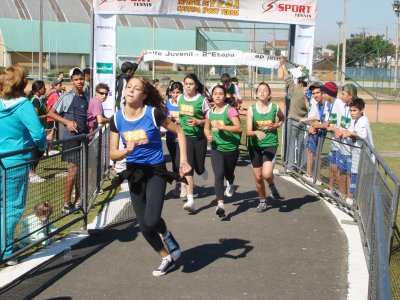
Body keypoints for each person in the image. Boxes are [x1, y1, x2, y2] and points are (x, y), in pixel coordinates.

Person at [109, 77, 191, 277]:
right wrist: (126, 152)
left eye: (136, 89)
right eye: (129, 87)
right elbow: (112, 153)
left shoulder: (153, 113)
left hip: (155, 170)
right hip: (135, 171)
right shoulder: (117, 119)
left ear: (144, 95)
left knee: (152, 219)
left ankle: (167, 234)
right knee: (145, 226)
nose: (130, 91)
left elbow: (179, 132)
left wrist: (183, 161)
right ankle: (166, 257)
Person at [0, 64, 46, 265]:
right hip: (15, 162)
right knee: (12, 207)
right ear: (22, 82)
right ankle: (6, 252)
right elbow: (38, 134)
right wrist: (42, 147)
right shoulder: (23, 105)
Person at [47, 67, 89, 214]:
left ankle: (78, 200)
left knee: (81, 170)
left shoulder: (86, 95)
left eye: (81, 79)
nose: (79, 82)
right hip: (70, 138)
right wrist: (67, 122)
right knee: (73, 170)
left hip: (83, 137)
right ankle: (66, 203)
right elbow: (51, 113)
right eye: (76, 79)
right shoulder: (66, 96)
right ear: (71, 81)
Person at [204, 85, 241, 218]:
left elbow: (238, 128)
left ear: (225, 96)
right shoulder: (209, 112)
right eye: (215, 94)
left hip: (231, 148)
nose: (218, 96)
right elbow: (206, 127)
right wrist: (208, 134)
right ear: (212, 96)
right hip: (216, 148)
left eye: (220, 93)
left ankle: (230, 183)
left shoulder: (230, 110)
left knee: (228, 173)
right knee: (219, 174)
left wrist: (224, 127)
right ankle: (220, 204)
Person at [247, 82, 284, 212]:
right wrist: (256, 132)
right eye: (260, 90)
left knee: (267, 174)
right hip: (254, 146)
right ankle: (263, 201)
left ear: (269, 94)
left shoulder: (275, 107)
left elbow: (282, 118)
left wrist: (277, 125)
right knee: (258, 177)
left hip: (270, 143)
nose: (262, 92)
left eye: (265, 90)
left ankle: (271, 185)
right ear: (256, 94)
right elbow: (248, 131)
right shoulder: (251, 109)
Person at [177, 73, 210, 213]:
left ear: (196, 85)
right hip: (185, 138)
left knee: (199, 167)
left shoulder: (202, 100)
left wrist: (199, 122)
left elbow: (210, 119)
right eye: (186, 84)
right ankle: (191, 200)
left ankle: (202, 169)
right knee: (187, 167)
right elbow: (178, 115)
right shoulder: (179, 98)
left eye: (191, 84)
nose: (188, 86)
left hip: (199, 138)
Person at [341, 98, 373, 204]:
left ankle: (355, 202)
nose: (352, 113)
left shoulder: (364, 121)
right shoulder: (355, 120)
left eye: (354, 110)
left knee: (359, 179)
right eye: (351, 110)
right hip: (356, 155)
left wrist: (350, 134)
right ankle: (353, 200)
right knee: (353, 175)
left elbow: (362, 135)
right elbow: (349, 130)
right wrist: (345, 132)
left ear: (361, 110)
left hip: (365, 157)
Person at [319, 82, 342, 197]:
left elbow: (336, 124)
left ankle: (340, 192)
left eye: (324, 92)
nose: (322, 95)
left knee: (338, 168)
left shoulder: (338, 104)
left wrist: (319, 126)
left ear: (330, 93)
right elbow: (327, 122)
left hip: (340, 143)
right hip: (334, 141)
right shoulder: (329, 104)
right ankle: (331, 188)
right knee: (332, 167)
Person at [335, 84, 357, 200]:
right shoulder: (344, 107)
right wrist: (339, 131)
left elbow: (355, 129)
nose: (341, 96)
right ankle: (342, 195)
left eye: (343, 94)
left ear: (351, 95)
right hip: (342, 146)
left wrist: (345, 133)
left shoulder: (356, 109)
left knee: (349, 173)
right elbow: (343, 124)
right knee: (341, 170)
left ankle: (350, 198)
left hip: (351, 149)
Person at [302, 82, 324, 183]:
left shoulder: (320, 103)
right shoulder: (312, 99)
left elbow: (319, 118)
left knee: (315, 154)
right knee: (309, 151)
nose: (315, 94)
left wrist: (311, 124)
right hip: (311, 127)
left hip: (316, 130)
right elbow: (305, 93)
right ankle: (309, 174)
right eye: (313, 92)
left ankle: (317, 177)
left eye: (317, 92)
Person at [165, 81, 183, 196]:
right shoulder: (167, 104)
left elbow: (187, 118)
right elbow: (163, 118)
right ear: (170, 93)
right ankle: (179, 181)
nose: (175, 95)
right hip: (170, 136)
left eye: (178, 92)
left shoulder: (184, 103)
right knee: (174, 161)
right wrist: (168, 118)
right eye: (173, 92)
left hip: (181, 136)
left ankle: (180, 184)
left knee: (179, 161)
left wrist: (180, 120)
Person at [28, 80, 47, 183]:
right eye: (44, 87)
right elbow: (35, 116)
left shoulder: (38, 99)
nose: (45, 89)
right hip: (35, 131)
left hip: (40, 129)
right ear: (39, 89)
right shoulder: (35, 100)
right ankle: (31, 173)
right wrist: (45, 116)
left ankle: (32, 172)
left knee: (40, 150)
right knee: (37, 151)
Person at [46, 78, 64, 143]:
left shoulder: (56, 94)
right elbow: (54, 108)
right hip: (52, 119)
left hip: (54, 118)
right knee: (50, 137)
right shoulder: (54, 95)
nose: (61, 87)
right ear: (55, 86)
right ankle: (49, 150)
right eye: (60, 85)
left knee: (53, 136)